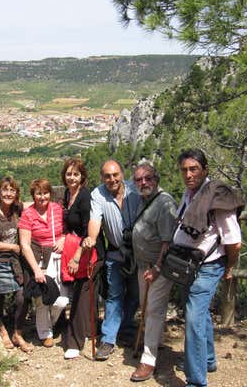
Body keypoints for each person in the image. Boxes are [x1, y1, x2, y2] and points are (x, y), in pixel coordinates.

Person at [172, 148, 243, 387]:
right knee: (199, 316)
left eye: (194, 169)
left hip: (208, 266)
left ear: (205, 170)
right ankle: (208, 360)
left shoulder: (217, 197)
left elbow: (233, 240)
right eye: (184, 170)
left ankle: (196, 381)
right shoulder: (190, 193)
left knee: (193, 319)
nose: (189, 174)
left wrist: (229, 267)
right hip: (188, 264)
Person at [82, 159, 141, 361]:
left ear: (122, 174)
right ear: (102, 177)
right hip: (116, 253)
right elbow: (94, 220)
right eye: (107, 176)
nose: (112, 179)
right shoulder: (98, 194)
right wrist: (91, 237)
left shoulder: (135, 189)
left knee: (135, 294)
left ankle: (125, 327)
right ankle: (108, 339)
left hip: (139, 253)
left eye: (115, 175)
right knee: (114, 296)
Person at [128, 163, 179, 382]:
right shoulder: (143, 200)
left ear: (156, 179)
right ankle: (154, 342)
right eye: (138, 180)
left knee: (153, 310)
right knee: (146, 306)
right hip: (144, 266)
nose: (143, 183)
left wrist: (157, 268)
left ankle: (148, 361)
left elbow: (168, 241)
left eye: (147, 178)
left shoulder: (165, 203)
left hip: (158, 268)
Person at [0, 176, 33, 353]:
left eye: (12, 190)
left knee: (22, 296)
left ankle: (17, 333)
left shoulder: (17, 209)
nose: (8, 193)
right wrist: (11, 246)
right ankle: (2, 329)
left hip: (15, 261)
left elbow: (37, 202)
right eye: (5, 189)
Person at [18, 178, 69, 347]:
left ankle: (51, 323)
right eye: (38, 193)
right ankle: (45, 333)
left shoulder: (57, 209)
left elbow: (68, 230)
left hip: (56, 258)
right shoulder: (28, 214)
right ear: (33, 195)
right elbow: (25, 244)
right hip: (38, 259)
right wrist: (36, 270)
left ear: (50, 194)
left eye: (45, 193)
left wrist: (63, 239)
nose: (42, 197)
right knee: (41, 300)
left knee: (61, 300)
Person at [59, 158, 95, 359]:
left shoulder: (84, 197)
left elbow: (88, 231)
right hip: (74, 249)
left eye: (76, 174)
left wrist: (77, 256)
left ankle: (74, 341)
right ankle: (87, 330)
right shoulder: (68, 194)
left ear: (82, 177)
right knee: (78, 292)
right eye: (69, 174)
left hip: (88, 251)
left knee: (81, 294)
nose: (71, 177)